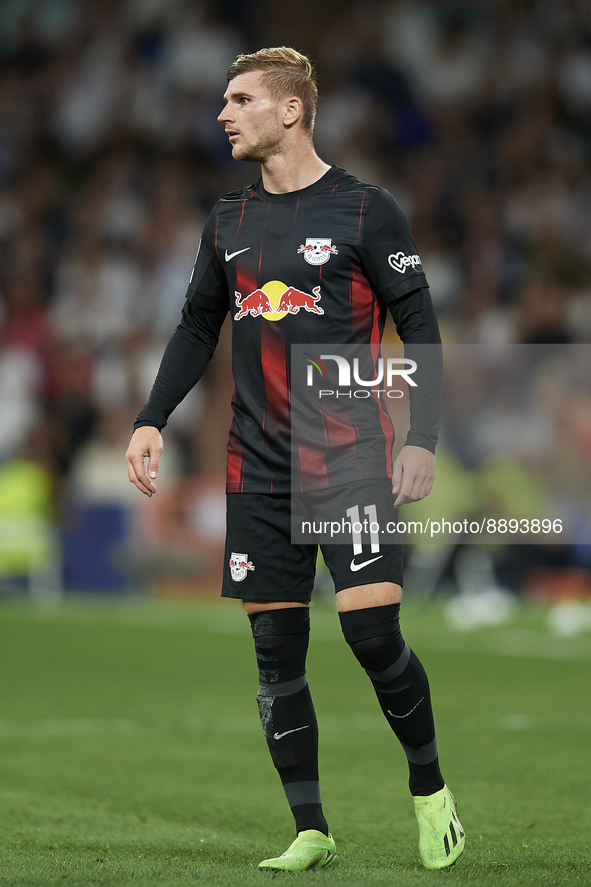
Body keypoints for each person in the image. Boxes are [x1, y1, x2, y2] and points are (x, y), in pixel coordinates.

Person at [126, 46, 465, 872]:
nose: (223, 114)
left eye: (239, 99)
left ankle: (430, 792)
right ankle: (310, 828)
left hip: (347, 456)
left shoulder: (364, 210)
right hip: (257, 465)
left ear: (290, 111)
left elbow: (418, 327)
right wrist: (151, 419)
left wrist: (420, 438)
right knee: (275, 652)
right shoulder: (226, 222)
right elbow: (196, 327)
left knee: (370, 628)